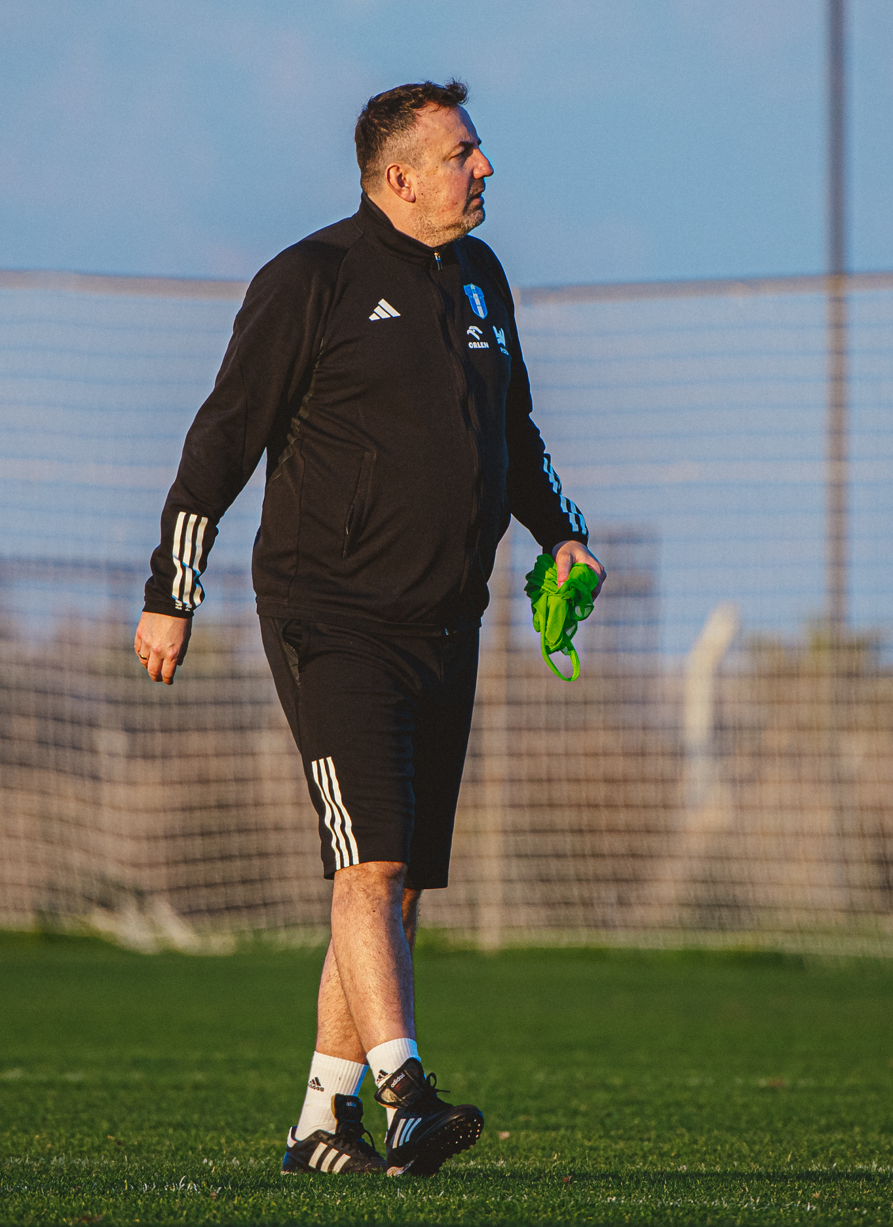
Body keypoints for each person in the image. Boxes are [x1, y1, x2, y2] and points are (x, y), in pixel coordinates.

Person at [132, 80, 603, 1178]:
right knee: (369, 861)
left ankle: (319, 1119)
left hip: (448, 621)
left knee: (398, 884)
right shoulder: (312, 279)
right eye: (461, 154)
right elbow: (221, 440)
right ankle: (408, 1096)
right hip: (330, 616)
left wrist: (561, 535)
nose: (483, 169)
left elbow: (515, 433)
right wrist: (171, 589)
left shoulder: (481, 278)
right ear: (399, 177)